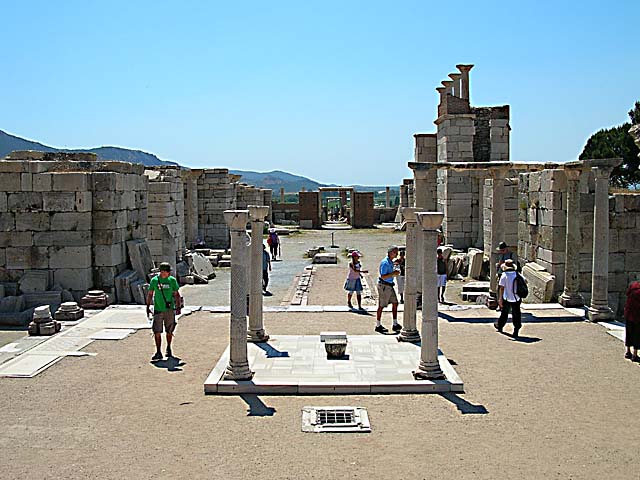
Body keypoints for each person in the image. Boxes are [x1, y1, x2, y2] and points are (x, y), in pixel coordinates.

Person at [146, 262, 182, 361]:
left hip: (169, 309)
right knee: (157, 331)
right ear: (162, 272)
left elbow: (176, 294)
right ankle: (158, 351)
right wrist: (148, 306)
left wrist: (178, 307)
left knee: (169, 330)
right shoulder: (154, 281)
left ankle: (168, 348)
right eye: (167, 271)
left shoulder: (172, 280)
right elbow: (150, 294)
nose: (169, 273)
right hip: (158, 309)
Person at [376, 246, 401, 333]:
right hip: (384, 286)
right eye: (395, 252)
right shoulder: (385, 263)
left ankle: (395, 323)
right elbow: (383, 276)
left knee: (395, 303)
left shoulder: (390, 262)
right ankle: (378, 325)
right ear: (390, 253)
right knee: (381, 305)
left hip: (389, 285)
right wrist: (393, 273)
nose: (397, 254)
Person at [494, 259, 522, 338]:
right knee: (516, 314)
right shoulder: (517, 274)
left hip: (507, 297)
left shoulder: (504, 275)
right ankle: (516, 330)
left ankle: (500, 326)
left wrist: (500, 299)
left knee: (504, 313)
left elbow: (501, 288)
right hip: (516, 297)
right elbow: (525, 281)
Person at [624, 281, 640, 361]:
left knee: (629, 333)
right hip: (637, 316)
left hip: (628, 313)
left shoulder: (632, 286)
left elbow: (627, 294)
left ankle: (628, 352)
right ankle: (635, 354)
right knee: (637, 335)